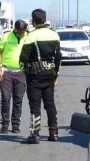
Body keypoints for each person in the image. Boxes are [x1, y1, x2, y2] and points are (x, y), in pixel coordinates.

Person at [19, 9, 62, 144]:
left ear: (33, 21)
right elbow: (59, 57)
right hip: (50, 75)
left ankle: (35, 135)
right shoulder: (54, 35)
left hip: (35, 76)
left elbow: (23, 59)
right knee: (50, 104)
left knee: (35, 106)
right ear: (45, 19)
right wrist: (56, 74)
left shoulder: (31, 36)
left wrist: (25, 72)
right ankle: (53, 133)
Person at [0, 20, 29, 134]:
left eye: (22, 32)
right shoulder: (5, 37)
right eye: (19, 32)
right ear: (15, 29)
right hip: (6, 72)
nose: (21, 34)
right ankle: (5, 123)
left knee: (18, 99)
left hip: (21, 72)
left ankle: (15, 124)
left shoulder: (28, 36)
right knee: (5, 98)